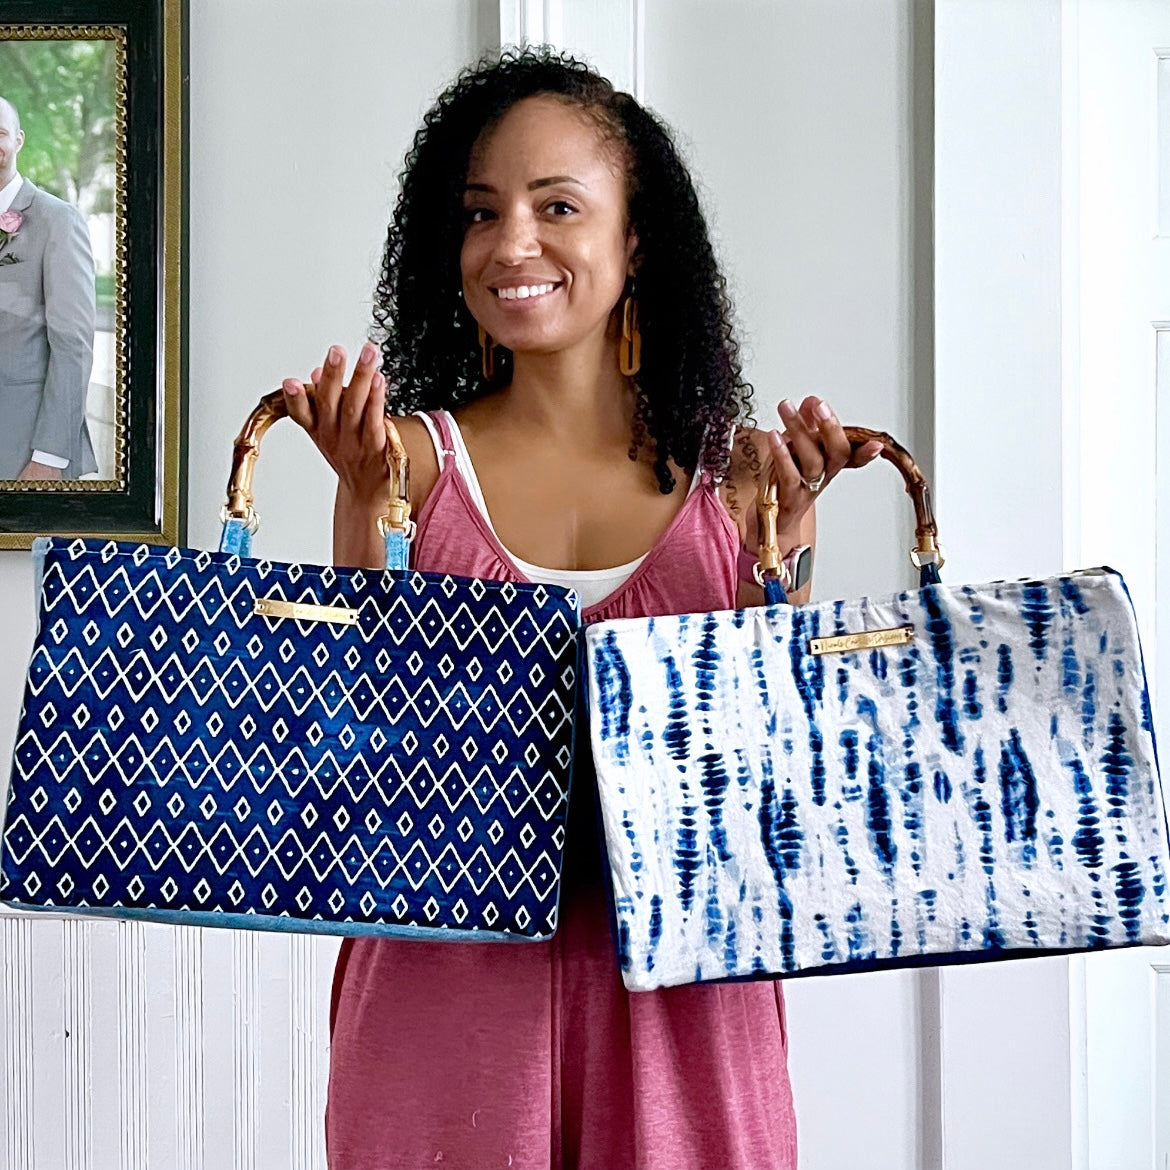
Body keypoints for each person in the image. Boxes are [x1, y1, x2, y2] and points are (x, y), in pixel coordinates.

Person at [281, 50, 882, 1170]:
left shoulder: (748, 481)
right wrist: (362, 514)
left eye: (557, 205)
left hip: (688, 1014)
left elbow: (769, 784)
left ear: (636, 237)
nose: (512, 244)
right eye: (480, 212)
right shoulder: (401, 464)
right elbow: (351, 763)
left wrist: (789, 555)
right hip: (440, 1007)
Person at [0, 93, 97, 481]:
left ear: (19, 140)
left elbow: (73, 344)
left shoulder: (57, 221)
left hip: (23, 448)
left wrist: (50, 457)